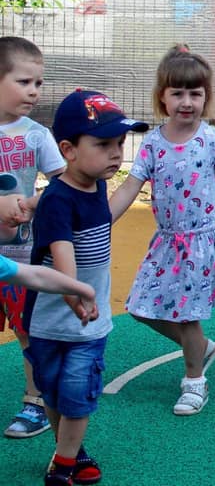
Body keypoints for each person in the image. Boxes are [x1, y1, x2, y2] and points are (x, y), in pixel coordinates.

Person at [109, 45, 215, 417]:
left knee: (187, 315)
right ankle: (200, 347)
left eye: (195, 94)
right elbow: (129, 187)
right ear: (163, 97)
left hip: (203, 241)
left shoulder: (211, 139)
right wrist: (102, 221)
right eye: (178, 93)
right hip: (167, 241)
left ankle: (194, 381)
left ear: (206, 97)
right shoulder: (152, 143)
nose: (186, 102)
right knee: (140, 307)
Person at [25, 89, 149, 485]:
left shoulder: (96, 187)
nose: (115, 153)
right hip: (50, 319)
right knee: (52, 393)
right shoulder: (58, 200)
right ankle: (70, 452)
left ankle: (62, 466)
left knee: (78, 393)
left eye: (120, 144)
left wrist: (141, 175)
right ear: (68, 150)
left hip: (88, 323)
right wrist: (75, 292)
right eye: (103, 144)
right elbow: (61, 251)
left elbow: (105, 217)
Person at [0, 37, 68, 440]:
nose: (34, 91)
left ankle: (36, 401)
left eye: (38, 83)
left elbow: (63, 184)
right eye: (24, 82)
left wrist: (31, 202)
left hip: (23, 257)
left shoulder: (37, 135)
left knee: (28, 330)